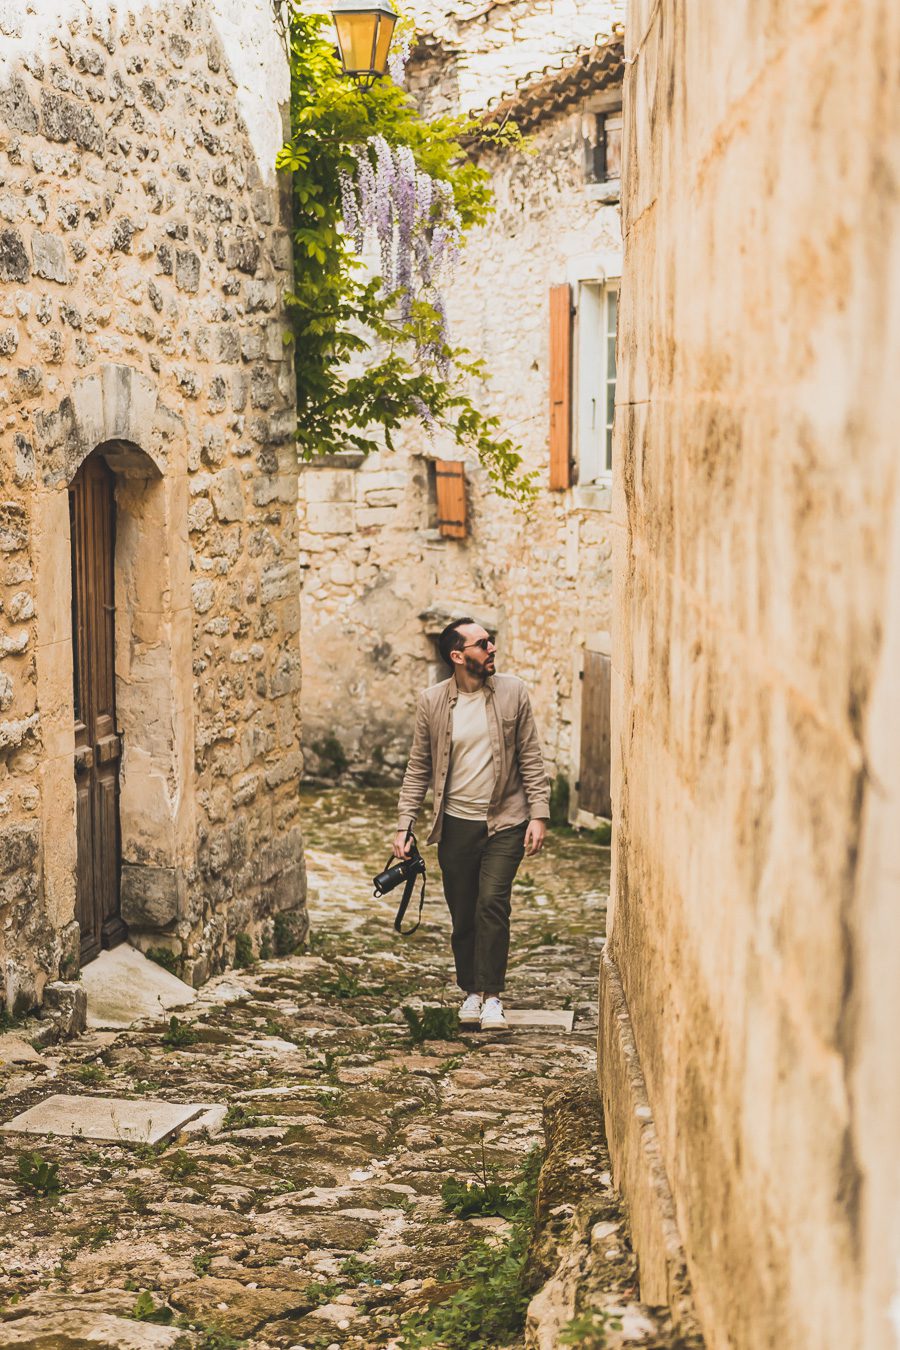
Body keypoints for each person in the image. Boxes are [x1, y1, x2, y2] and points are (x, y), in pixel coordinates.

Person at [392, 617, 550, 1030]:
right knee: (463, 913)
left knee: (492, 902)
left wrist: (538, 814)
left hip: (506, 820)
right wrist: (404, 824)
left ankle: (493, 996)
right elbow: (418, 768)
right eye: (483, 644)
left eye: (492, 641)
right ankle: (472, 991)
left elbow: (531, 757)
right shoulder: (432, 702)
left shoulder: (513, 692)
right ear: (458, 656)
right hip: (456, 824)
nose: (492, 648)